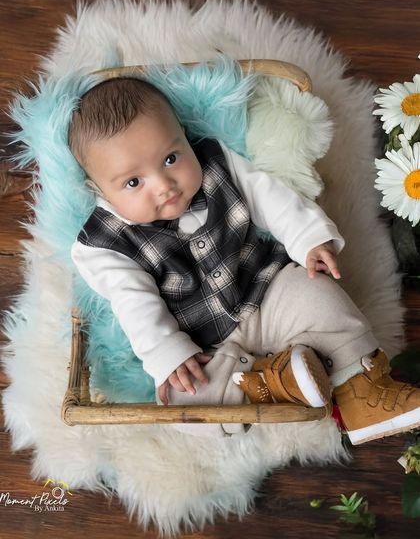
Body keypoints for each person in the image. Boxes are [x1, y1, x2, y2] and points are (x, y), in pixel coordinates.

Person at [69, 76, 420, 443]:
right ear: (99, 189)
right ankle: (273, 383)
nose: (164, 185)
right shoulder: (104, 243)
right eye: (133, 183)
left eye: (171, 158)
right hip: (204, 348)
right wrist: (167, 353)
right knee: (182, 399)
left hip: (265, 291)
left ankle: (363, 396)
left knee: (316, 291)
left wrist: (309, 239)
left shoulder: (215, 161)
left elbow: (271, 198)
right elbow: (133, 302)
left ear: (185, 137)